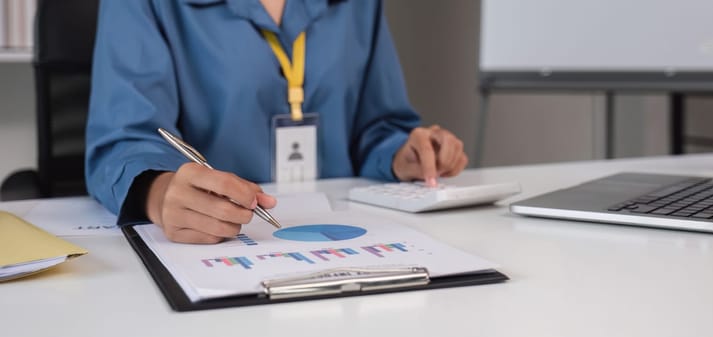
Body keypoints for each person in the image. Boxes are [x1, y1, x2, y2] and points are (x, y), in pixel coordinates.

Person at [85, 0, 468, 244]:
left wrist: (402, 154)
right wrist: (160, 192)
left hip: (344, 235)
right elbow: (125, 141)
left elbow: (376, 126)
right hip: (224, 244)